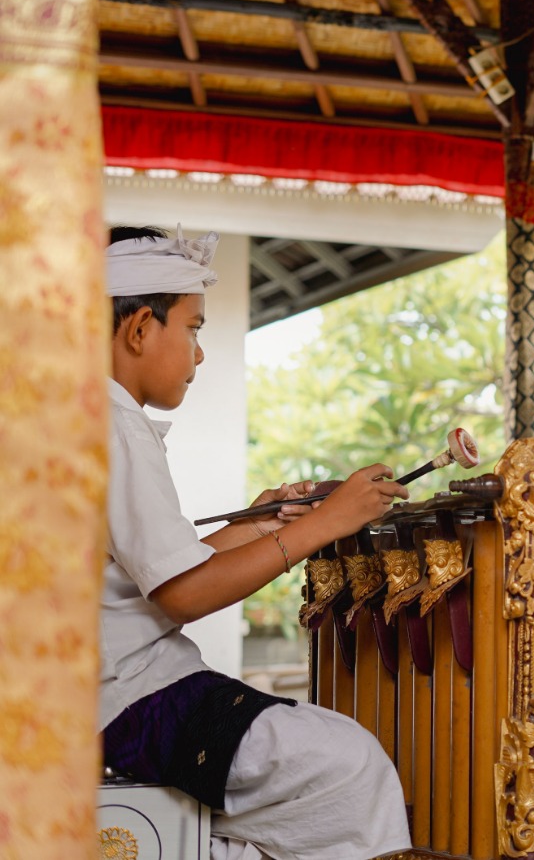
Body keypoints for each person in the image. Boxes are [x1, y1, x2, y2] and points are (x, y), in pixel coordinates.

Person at [99, 225, 412, 860]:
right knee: (350, 766)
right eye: (193, 329)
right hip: (130, 699)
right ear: (140, 329)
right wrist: (323, 524)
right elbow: (183, 594)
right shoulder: (113, 425)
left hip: (126, 689)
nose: (199, 354)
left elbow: (158, 572)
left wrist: (260, 524)